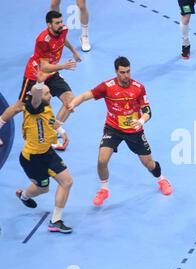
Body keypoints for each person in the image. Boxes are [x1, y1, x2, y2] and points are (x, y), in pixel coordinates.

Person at [65, 56, 173, 206]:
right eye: (122, 72)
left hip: (134, 130)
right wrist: (73, 104)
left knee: (149, 163)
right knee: (102, 160)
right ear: (116, 72)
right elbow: (85, 96)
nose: (126, 76)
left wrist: (141, 121)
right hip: (113, 128)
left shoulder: (138, 88)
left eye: (128, 71)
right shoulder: (107, 87)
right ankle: (104, 190)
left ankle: (162, 179)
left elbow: (148, 111)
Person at [0, 11, 80, 150]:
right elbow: (44, 66)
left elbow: (62, 40)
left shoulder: (63, 29)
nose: (61, 25)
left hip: (52, 73)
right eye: (57, 23)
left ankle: (53, 130)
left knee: (69, 101)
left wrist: (73, 50)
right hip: (36, 74)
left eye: (61, 21)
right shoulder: (43, 40)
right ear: (49, 25)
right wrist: (63, 66)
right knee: (20, 106)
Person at [16, 71, 73, 233]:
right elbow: (35, 95)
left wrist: (61, 131)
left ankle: (56, 220)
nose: (50, 96)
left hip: (47, 153)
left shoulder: (47, 108)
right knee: (43, 188)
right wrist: (39, 84)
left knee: (67, 182)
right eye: (47, 94)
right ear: (40, 97)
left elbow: (50, 121)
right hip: (32, 158)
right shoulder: (32, 107)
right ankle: (24, 196)